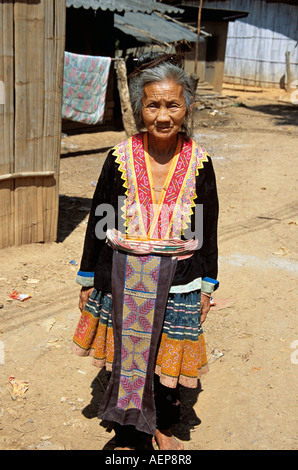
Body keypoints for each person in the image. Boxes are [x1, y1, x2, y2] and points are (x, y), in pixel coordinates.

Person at [72, 53, 219, 450]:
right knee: (127, 355)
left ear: (187, 107)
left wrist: (207, 284)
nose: (163, 115)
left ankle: (162, 424)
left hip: (179, 279)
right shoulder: (119, 157)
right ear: (140, 108)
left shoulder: (200, 162)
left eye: (173, 104)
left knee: (164, 361)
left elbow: (207, 226)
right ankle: (127, 431)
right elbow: (100, 221)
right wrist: (90, 278)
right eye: (153, 104)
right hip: (124, 274)